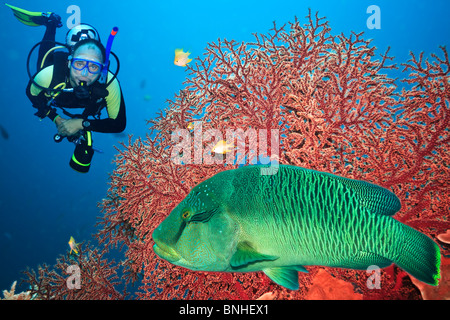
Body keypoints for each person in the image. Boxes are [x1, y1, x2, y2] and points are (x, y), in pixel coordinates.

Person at [6, 4, 126, 173]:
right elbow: (31, 94)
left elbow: (118, 124)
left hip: (80, 110)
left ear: (101, 68)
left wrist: (81, 124)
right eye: (79, 64)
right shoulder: (50, 75)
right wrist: (55, 118)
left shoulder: (108, 82)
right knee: (43, 65)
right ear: (69, 62)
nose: (84, 74)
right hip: (56, 79)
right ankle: (51, 23)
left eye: (93, 67)